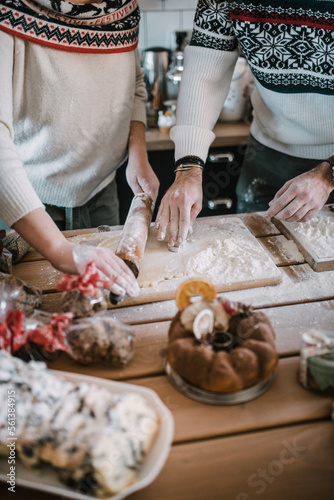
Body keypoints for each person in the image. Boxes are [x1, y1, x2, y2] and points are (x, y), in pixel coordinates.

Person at [0, 0, 159, 298]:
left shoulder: (124, 6)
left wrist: (137, 153)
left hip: (103, 194)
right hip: (25, 207)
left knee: (105, 313)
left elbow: (135, 84)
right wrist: (59, 250)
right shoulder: (9, 10)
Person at [155, 0, 334, 249]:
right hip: (266, 155)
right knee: (257, 255)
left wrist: (328, 174)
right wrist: (189, 168)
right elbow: (205, 73)